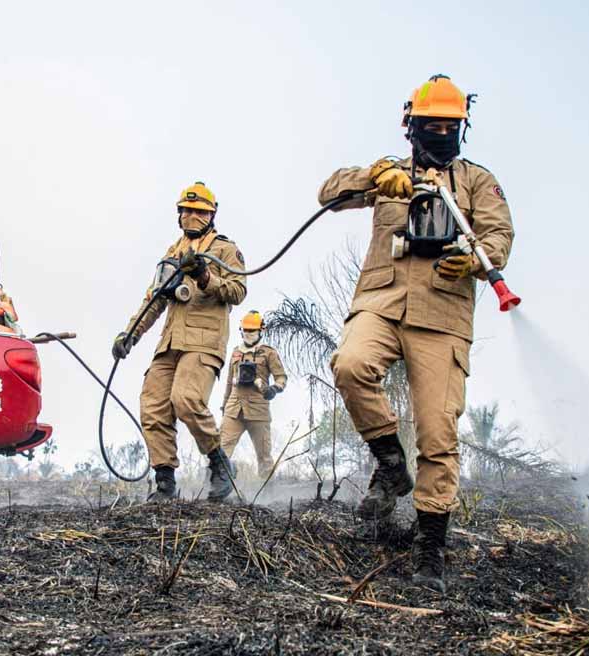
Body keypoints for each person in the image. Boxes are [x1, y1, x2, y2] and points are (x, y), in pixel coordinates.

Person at [317, 74, 514, 593]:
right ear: (411, 125)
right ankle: (388, 459)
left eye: (452, 126)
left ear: (463, 129)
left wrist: (473, 259)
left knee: (438, 431)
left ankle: (430, 542)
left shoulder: (476, 181)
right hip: (380, 302)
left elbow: (498, 236)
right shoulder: (387, 173)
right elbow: (329, 193)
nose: (442, 134)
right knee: (350, 364)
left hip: (442, 317)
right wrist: (375, 175)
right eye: (433, 125)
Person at [112, 182, 247, 502]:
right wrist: (129, 335)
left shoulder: (225, 250)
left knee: (186, 399)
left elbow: (238, 292)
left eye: (199, 211)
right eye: (186, 210)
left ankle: (219, 464)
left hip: (203, 342)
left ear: (212, 214)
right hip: (169, 343)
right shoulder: (170, 255)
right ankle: (165, 483)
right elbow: (153, 301)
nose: (191, 216)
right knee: (153, 405)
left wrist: (204, 276)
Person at [219, 311, 287, 477]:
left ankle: (267, 493)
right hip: (234, 409)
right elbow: (229, 382)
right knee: (220, 450)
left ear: (260, 331)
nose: (248, 334)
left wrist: (274, 389)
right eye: (246, 330)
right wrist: (224, 405)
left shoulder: (268, 352)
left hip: (258, 410)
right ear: (241, 330)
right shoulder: (236, 352)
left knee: (264, 455)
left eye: (252, 330)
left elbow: (281, 377)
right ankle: (217, 486)